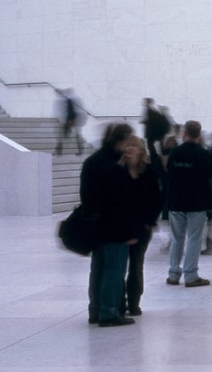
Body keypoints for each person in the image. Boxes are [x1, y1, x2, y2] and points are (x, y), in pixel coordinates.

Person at [80, 123, 139, 326]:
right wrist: (130, 230)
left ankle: (95, 309)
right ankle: (109, 311)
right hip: (115, 227)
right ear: (121, 140)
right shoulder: (116, 166)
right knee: (114, 269)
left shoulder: (92, 162)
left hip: (95, 224)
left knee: (97, 269)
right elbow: (123, 202)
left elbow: (86, 197)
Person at [163, 120, 212, 287]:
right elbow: (209, 177)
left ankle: (174, 274)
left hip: (176, 200)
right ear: (199, 135)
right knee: (194, 238)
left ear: (184, 133)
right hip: (196, 202)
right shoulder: (204, 154)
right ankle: (191, 275)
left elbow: (169, 171)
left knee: (176, 239)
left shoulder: (175, 152)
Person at [119, 134, 163, 317]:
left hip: (142, 226)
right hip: (120, 226)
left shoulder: (149, 172)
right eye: (127, 146)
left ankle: (134, 302)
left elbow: (157, 199)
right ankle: (119, 302)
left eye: (134, 146)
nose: (130, 149)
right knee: (119, 266)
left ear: (141, 150)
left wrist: (149, 222)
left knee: (136, 264)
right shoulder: (118, 171)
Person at [56, 88, 82, 155]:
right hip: (70, 120)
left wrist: (71, 120)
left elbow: (71, 111)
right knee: (73, 136)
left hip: (70, 120)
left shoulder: (69, 100)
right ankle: (60, 151)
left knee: (62, 135)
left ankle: (59, 151)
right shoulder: (70, 99)